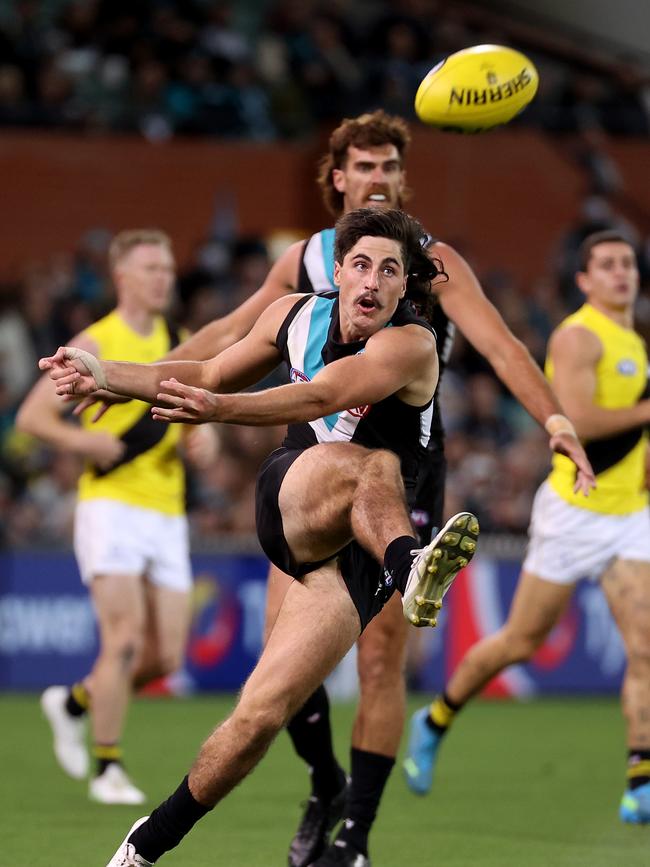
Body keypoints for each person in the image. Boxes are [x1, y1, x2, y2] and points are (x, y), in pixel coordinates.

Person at [78, 110, 594, 865]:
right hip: (303, 469)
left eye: (391, 167)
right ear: (339, 179)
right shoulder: (300, 278)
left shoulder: (425, 293)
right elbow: (222, 351)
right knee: (352, 495)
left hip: (399, 472)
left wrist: (553, 418)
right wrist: (117, 377)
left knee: (285, 697)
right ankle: (337, 752)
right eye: (366, 166)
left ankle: (243, 841)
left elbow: (500, 344)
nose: (378, 178)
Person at [41, 207, 481, 866]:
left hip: (352, 561)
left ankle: (142, 845)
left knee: (259, 715)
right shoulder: (295, 314)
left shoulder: (411, 344)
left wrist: (219, 410)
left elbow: (319, 394)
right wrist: (107, 373)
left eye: (389, 270)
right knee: (375, 464)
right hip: (294, 503)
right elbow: (211, 371)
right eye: (360, 263)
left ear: (402, 289)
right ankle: (411, 562)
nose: (372, 279)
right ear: (339, 272)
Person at [403, 230, 650, 826]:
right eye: (607, 266)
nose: (622, 273)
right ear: (585, 281)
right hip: (573, 514)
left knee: (645, 646)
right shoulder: (577, 335)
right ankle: (435, 718)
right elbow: (580, 421)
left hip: (629, 517)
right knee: (519, 642)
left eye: (628, 264)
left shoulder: (633, 340)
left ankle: (640, 780)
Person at [16, 229, 215, 805]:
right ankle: (107, 766)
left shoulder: (179, 340)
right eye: (152, 267)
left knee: (167, 656)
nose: (164, 277)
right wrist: (86, 446)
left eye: (168, 267)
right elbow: (33, 418)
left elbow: (183, 417)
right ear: (123, 277)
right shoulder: (96, 339)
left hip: (166, 510)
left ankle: (73, 701)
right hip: (110, 505)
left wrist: (198, 441)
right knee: (123, 639)